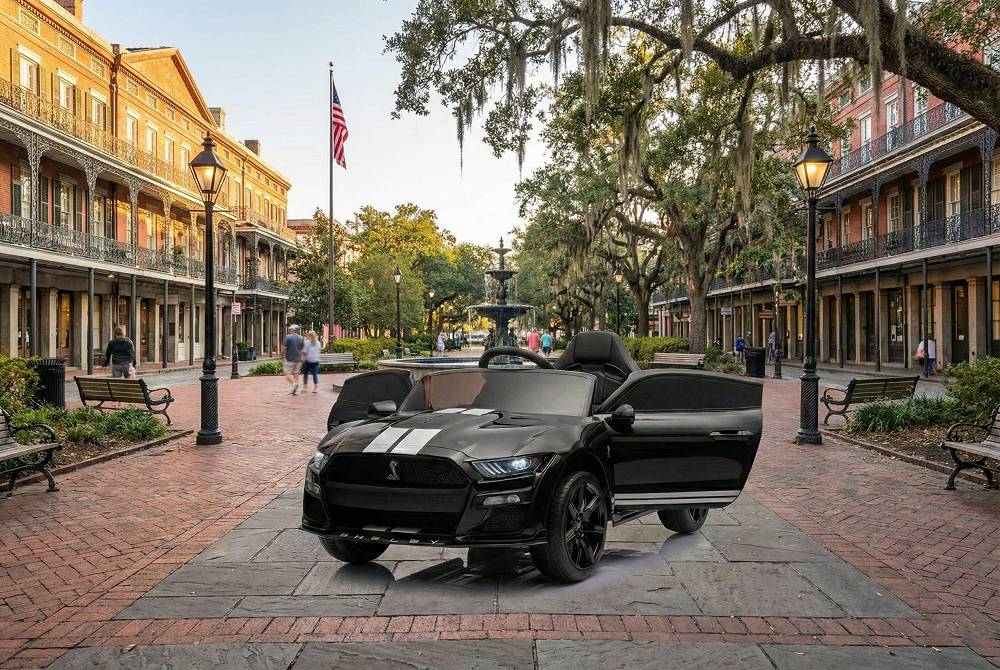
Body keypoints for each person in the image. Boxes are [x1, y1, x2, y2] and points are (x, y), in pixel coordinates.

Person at [283, 324, 305, 395]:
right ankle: (294, 389)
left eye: (290, 329)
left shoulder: (288, 337)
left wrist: (283, 356)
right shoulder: (301, 338)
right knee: (296, 374)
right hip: (298, 359)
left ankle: (294, 384)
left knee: (287, 374)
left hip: (290, 359)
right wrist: (301, 357)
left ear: (292, 330)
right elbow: (301, 349)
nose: (289, 330)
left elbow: (284, 348)